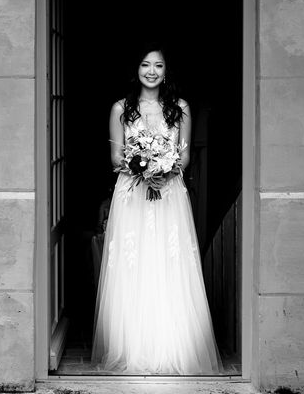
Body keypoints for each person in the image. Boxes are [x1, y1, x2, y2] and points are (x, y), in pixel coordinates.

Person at [91, 43, 224, 375]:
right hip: (132, 194)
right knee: (134, 265)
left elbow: (186, 156)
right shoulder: (121, 108)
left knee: (168, 262)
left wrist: (162, 169)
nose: (152, 71)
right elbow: (115, 157)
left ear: (167, 72)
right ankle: (133, 346)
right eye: (145, 64)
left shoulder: (180, 107)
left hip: (170, 193)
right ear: (135, 69)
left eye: (159, 65)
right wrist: (141, 168)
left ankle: (170, 345)